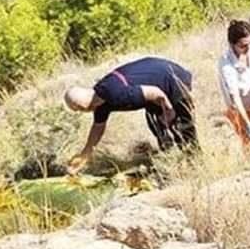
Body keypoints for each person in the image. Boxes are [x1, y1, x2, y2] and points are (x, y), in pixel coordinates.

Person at [65, 56, 197, 167]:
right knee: (157, 127)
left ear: (84, 107)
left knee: (181, 126)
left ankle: (194, 162)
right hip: (155, 88)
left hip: (172, 80)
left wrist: (168, 111)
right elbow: (98, 127)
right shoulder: (99, 98)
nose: (80, 113)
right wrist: (85, 154)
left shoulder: (117, 94)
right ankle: (172, 163)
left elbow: (156, 93)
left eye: (78, 110)